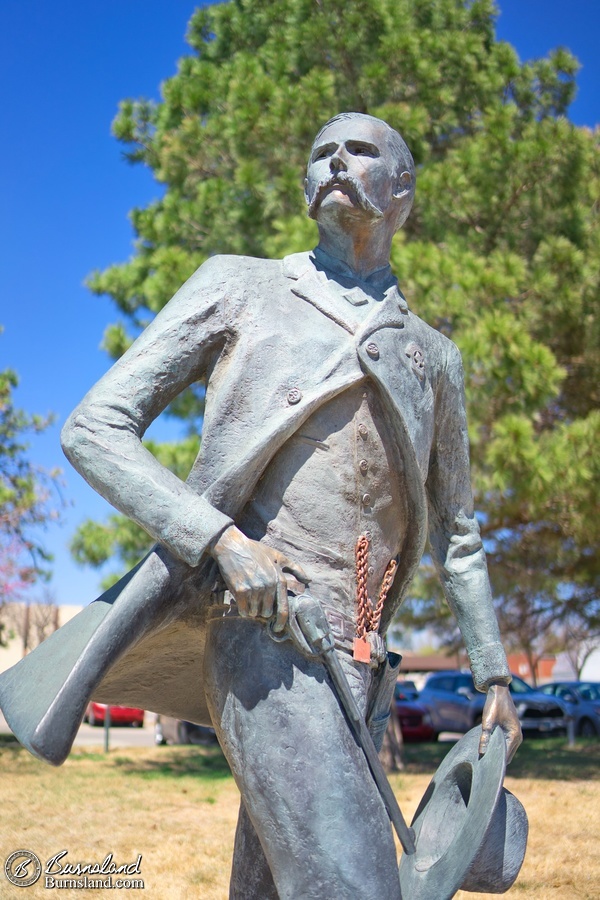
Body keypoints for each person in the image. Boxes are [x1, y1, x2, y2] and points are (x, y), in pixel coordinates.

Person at [36, 113, 525, 898]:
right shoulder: (240, 285)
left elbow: (459, 535)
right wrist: (222, 541)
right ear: (305, 187)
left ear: (402, 189)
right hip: (262, 633)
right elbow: (95, 427)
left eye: (360, 151)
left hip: (365, 665)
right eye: (320, 152)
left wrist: (496, 678)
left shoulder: (432, 356)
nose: (336, 161)